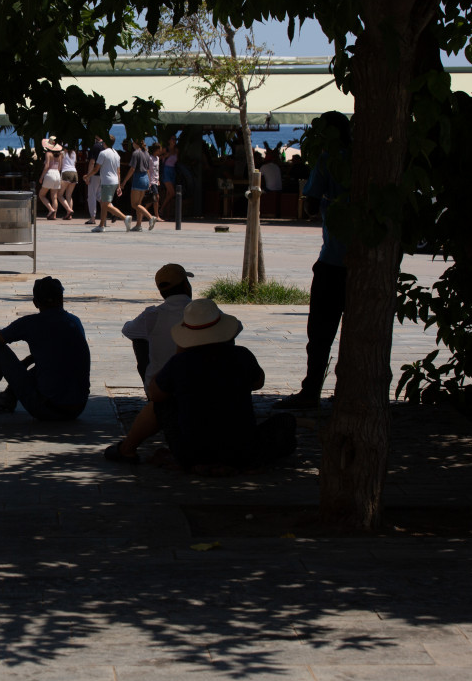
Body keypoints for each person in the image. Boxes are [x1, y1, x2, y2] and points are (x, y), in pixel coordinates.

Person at [104, 299, 296, 473]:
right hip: (242, 451)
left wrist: (179, 353)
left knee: (162, 404)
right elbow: (257, 382)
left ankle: (127, 449)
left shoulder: (180, 363)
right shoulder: (242, 355)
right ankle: (232, 463)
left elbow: (155, 394)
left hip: (192, 454)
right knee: (285, 422)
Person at [274, 111, 351, 409]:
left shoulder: (328, 159)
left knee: (320, 333)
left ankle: (311, 391)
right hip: (366, 265)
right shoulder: (368, 159)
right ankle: (350, 390)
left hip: (334, 259)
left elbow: (310, 206)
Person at [0, 276, 91, 420]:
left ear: (35, 303)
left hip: (46, 408)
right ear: (62, 298)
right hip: (77, 408)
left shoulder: (30, 324)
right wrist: (26, 363)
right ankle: (9, 396)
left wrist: (4, 368)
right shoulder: (74, 321)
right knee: (53, 364)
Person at [121, 263, 194, 394]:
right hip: (200, 385)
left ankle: (151, 389)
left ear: (161, 291)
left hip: (160, 388)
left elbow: (127, 330)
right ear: (186, 285)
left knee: (139, 339)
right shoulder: (206, 312)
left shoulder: (153, 315)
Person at [85, 134, 129, 233]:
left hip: (107, 181)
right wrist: (119, 186)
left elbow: (96, 169)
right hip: (114, 181)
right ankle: (101, 225)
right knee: (104, 203)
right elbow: (118, 172)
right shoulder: (116, 154)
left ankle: (124, 218)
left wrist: (87, 176)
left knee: (105, 205)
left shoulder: (103, 153)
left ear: (106, 142)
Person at [121, 135, 157, 231]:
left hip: (138, 178)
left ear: (135, 143)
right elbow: (148, 169)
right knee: (139, 204)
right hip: (145, 178)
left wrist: (124, 181)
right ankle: (138, 224)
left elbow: (132, 169)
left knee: (134, 204)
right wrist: (149, 180)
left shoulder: (136, 153)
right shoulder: (146, 153)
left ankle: (150, 217)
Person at [37, 137, 65, 220]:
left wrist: (41, 177)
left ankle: (51, 209)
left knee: (41, 195)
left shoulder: (48, 154)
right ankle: (54, 215)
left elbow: (46, 166)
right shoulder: (60, 154)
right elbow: (60, 167)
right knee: (54, 197)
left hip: (50, 173)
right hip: (57, 174)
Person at [84, 135, 106, 224]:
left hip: (95, 174)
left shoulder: (95, 147)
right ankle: (111, 210)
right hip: (103, 174)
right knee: (99, 195)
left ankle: (92, 217)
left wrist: (88, 176)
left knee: (91, 196)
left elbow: (92, 162)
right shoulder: (105, 147)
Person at [159, 135, 179, 219]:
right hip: (166, 170)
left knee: (169, 194)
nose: (174, 141)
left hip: (172, 170)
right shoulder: (165, 149)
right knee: (172, 193)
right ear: (169, 141)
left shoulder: (176, 150)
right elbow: (158, 157)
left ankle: (166, 214)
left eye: (175, 139)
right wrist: (165, 156)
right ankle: (161, 209)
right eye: (172, 139)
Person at [59, 143, 79, 220]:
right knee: (69, 195)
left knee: (59, 195)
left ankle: (69, 210)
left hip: (66, 172)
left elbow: (60, 165)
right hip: (74, 173)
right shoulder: (74, 153)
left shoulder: (62, 153)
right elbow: (74, 163)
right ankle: (69, 215)